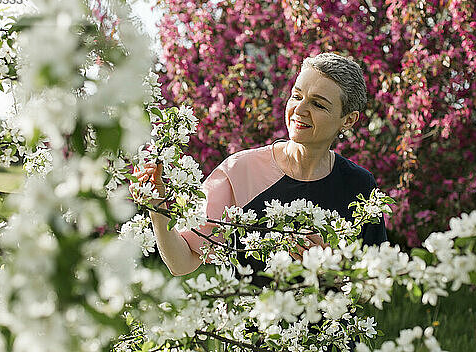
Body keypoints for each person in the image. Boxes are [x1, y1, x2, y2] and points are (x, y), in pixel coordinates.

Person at [132, 52, 387, 278]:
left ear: (348, 120)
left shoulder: (360, 186)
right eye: (297, 95)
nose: (299, 109)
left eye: (318, 104)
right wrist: (158, 206)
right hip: (252, 330)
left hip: (329, 333)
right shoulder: (240, 171)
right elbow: (182, 261)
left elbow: (374, 285)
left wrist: (334, 269)